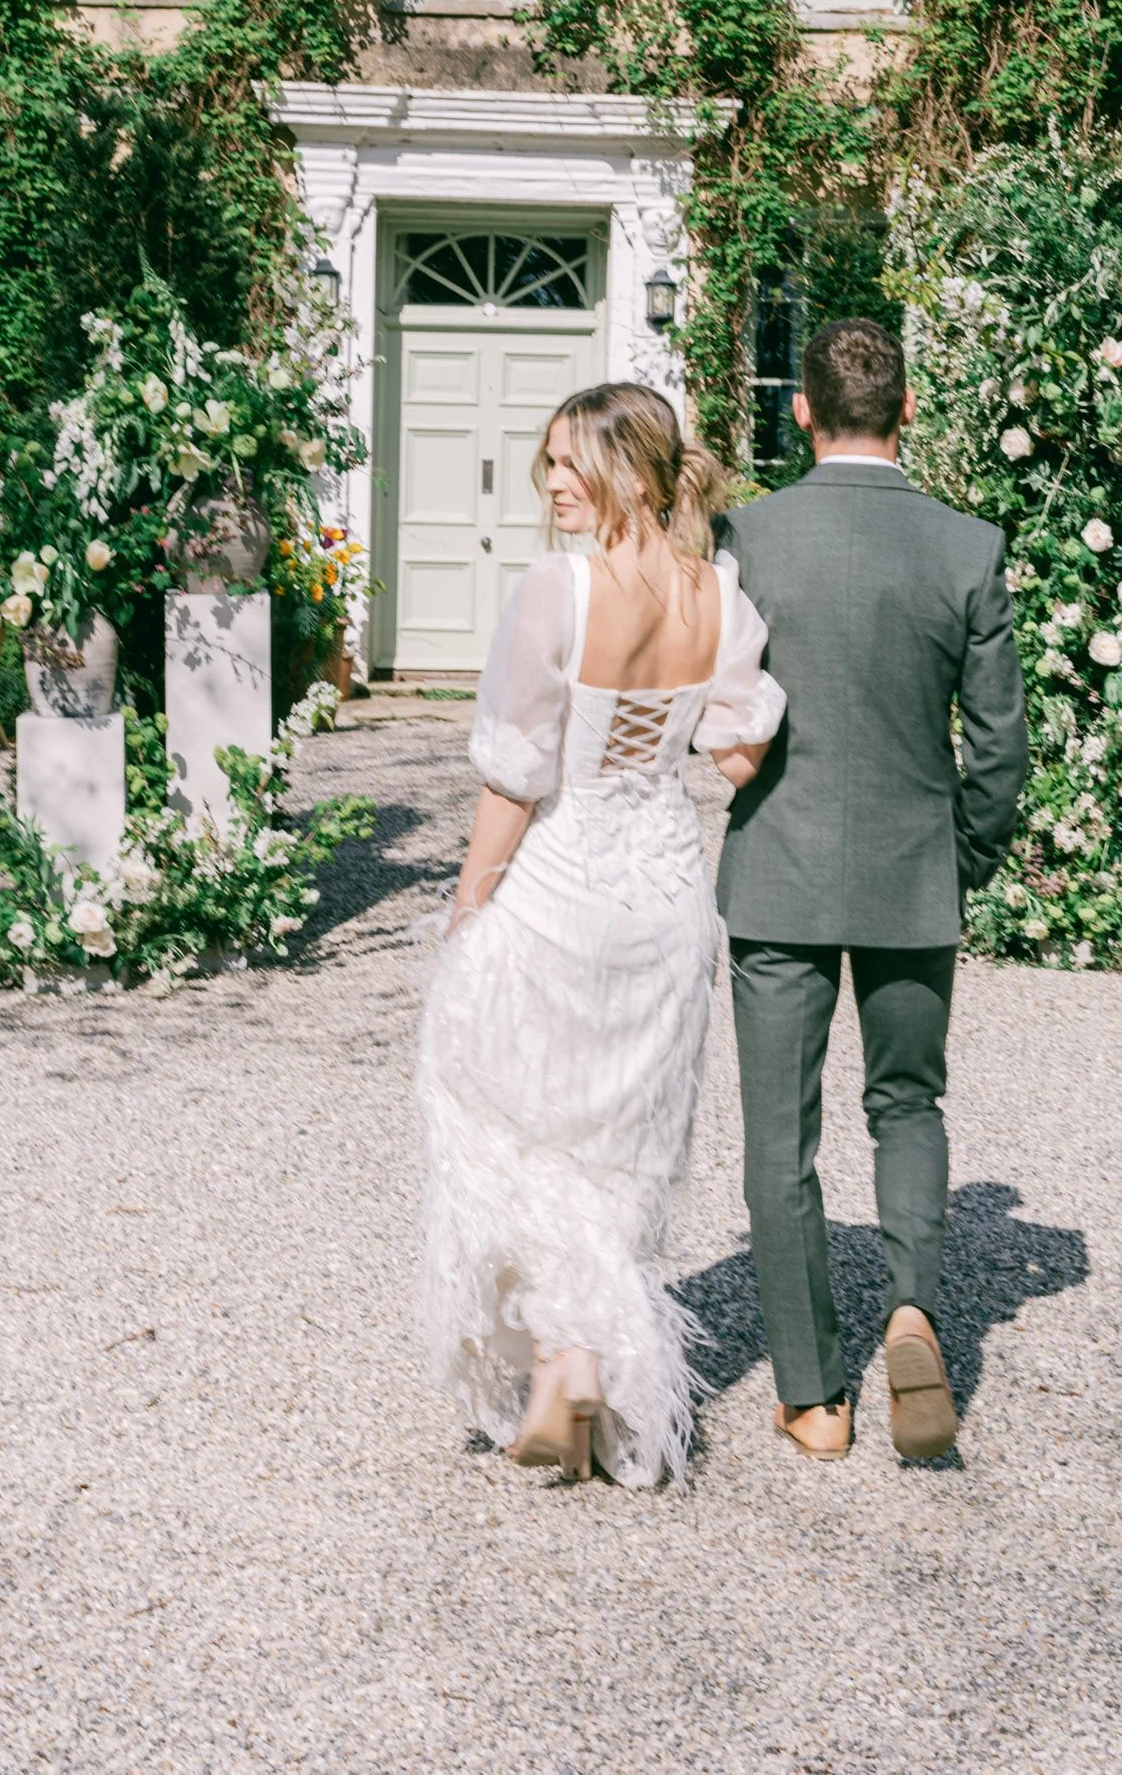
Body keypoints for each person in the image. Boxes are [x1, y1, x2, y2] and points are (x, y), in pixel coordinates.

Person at [417, 383, 787, 1487]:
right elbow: (736, 755)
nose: (552, 484)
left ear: (633, 471)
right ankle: (574, 1366)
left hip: (561, 893)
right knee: (620, 1150)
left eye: (570, 462)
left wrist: (469, 903)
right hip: (669, 900)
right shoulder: (721, 597)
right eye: (546, 465)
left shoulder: (555, 591)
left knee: (504, 1121)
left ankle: (571, 1362)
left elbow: (516, 774)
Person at [717, 318, 1029, 1463]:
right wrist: (965, 859)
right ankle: (912, 1309)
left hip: (779, 875)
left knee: (777, 1140)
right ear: (907, 412)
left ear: (801, 411)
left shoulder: (746, 537)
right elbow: (999, 746)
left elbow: (714, 703)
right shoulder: (966, 546)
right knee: (906, 1104)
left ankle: (811, 1393)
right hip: (912, 872)